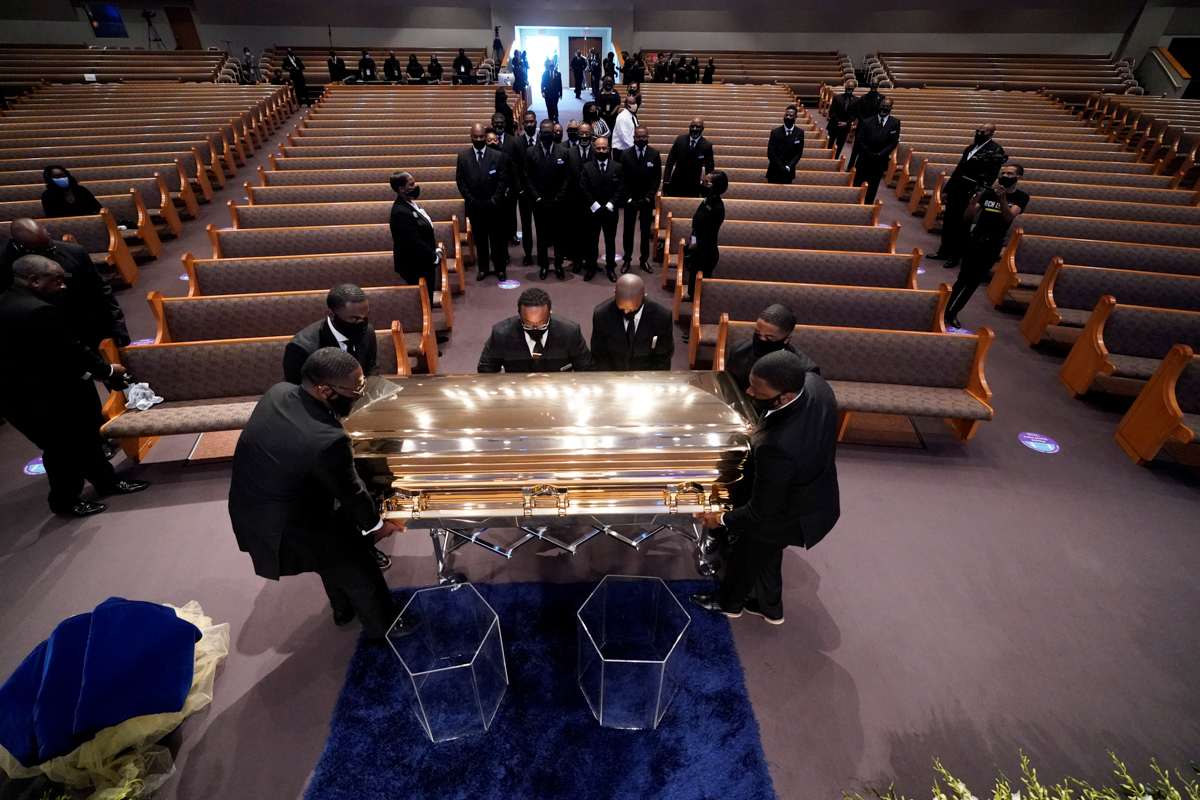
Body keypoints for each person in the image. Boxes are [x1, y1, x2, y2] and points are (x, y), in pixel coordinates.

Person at [229, 348, 404, 639]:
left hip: (254, 505)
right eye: (357, 389)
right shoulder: (328, 440)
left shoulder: (279, 392)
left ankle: (342, 609)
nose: (361, 394)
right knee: (359, 568)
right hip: (289, 522)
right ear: (325, 391)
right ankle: (385, 630)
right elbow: (351, 493)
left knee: (329, 559)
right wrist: (377, 525)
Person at [690, 350, 840, 624]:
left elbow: (761, 512)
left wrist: (720, 519)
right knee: (766, 551)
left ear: (785, 397)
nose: (749, 392)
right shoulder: (816, 385)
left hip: (788, 511)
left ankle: (728, 603)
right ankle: (770, 607)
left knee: (747, 553)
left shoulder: (777, 445)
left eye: (757, 390)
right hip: (816, 494)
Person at [0, 255, 147, 517]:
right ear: (34, 280)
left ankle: (106, 482)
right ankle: (65, 501)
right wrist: (109, 371)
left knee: (88, 436)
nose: (63, 286)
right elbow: (72, 352)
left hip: (55, 388)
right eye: (56, 281)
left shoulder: (8, 299)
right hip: (39, 397)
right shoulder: (37, 310)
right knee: (62, 450)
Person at [0, 218, 128, 348]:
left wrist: (118, 328)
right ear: (18, 245)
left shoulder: (74, 252)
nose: (45, 253)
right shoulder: (3, 264)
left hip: (84, 326)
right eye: (38, 251)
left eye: (48, 247)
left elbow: (101, 290)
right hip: (38, 338)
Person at [944, 164, 1028, 329]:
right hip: (975, 240)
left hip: (993, 244)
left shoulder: (1021, 197)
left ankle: (954, 312)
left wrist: (1003, 199)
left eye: (1010, 173)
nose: (1005, 175)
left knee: (973, 283)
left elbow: (1008, 217)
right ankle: (945, 309)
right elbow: (968, 216)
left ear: (1018, 177)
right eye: (1003, 172)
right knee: (962, 279)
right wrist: (976, 198)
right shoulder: (988, 193)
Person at [931, 124, 1007, 269]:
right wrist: (947, 189)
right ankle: (943, 251)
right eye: (977, 131)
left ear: (991, 134)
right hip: (957, 189)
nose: (978, 133)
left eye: (982, 132)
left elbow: (991, 175)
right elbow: (959, 169)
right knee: (949, 222)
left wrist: (977, 194)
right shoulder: (970, 148)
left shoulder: (995, 150)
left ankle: (955, 256)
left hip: (971, 192)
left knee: (962, 226)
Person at [478, 287, 592, 373]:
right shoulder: (501, 334)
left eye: (541, 323)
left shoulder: (570, 332)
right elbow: (486, 368)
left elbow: (585, 368)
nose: (535, 328)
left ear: (550, 314)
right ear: (520, 316)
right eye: (528, 323)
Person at [282, 283, 378, 385]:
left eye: (365, 316)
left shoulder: (368, 333)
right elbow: (299, 393)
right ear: (332, 315)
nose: (362, 323)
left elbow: (372, 373)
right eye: (354, 318)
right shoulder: (301, 349)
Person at [456, 123, 510, 281]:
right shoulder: (463, 156)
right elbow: (460, 181)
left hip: (494, 206)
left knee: (497, 240)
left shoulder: (497, 156)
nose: (479, 139)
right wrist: (472, 199)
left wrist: (494, 199)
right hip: (475, 206)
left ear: (485, 137)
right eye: (476, 137)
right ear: (471, 137)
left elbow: (503, 180)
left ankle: (500, 268)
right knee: (480, 240)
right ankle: (483, 268)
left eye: (481, 137)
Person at [723, 304, 818, 393]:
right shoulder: (738, 350)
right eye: (757, 333)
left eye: (769, 338)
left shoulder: (805, 370)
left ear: (786, 339)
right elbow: (726, 386)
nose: (761, 340)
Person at [590, 274, 673, 371]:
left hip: (646, 376)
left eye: (632, 309)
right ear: (615, 293)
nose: (626, 312)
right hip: (613, 375)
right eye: (621, 308)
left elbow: (663, 357)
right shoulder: (602, 314)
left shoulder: (661, 316)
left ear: (644, 297)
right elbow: (599, 354)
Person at [524, 120, 570, 280]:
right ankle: (543, 265)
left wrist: (559, 197)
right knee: (542, 236)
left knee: (559, 235)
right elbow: (527, 177)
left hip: (558, 201)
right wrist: (537, 197)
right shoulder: (530, 152)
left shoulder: (563, 152)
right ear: (540, 133)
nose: (547, 135)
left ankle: (558, 265)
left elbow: (567, 177)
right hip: (539, 202)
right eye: (544, 132)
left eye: (549, 132)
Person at [388, 172, 443, 301]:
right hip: (415, 265)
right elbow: (413, 242)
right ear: (401, 189)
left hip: (423, 262)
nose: (415, 186)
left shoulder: (409, 204)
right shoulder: (400, 212)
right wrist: (434, 256)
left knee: (427, 296)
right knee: (424, 300)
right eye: (411, 184)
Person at [580, 136, 626, 282]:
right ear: (594, 149)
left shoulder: (617, 167)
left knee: (610, 241)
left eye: (604, 148)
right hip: (592, 211)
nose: (601, 150)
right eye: (598, 148)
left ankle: (611, 268)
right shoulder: (587, 167)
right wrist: (595, 205)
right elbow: (584, 187)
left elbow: (620, 188)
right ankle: (591, 267)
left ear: (609, 149)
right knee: (591, 241)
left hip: (610, 211)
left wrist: (610, 204)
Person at [618, 125, 661, 274]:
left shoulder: (654, 154)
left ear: (647, 137)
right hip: (630, 199)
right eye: (638, 136)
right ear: (634, 137)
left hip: (646, 201)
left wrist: (649, 197)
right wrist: (628, 197)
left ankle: (644, 260)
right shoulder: (625, 155)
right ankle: (627, 260)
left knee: (644, 232)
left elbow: (656, 179)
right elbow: (621, 179)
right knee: (628, 232)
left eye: (643, 137)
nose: (640, 139)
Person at [684, 170, 727, 299]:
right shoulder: (707, 200)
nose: (703, 184)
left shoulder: (718, 208)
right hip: (697, 250)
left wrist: (693, 246)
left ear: (716, 186)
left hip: (705, 254)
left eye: (706, 183)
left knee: (699, 293)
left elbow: (710, 235)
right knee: (692, 290)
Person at [851, 96, 899, 203]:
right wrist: (870, 153)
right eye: (883, 106)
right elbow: (860, 140)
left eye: (887, 107)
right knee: (858, 183)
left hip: (880, 161)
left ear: (891, 108)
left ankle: (868, 206)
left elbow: (894, 142)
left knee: (873, 186)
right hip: (864, 159)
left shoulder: (895, 123)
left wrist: (881, 153)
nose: (884, 108)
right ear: (879, 106)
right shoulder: (867, 121)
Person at [491, 110, 524, 249]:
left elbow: (515, 165)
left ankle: (512, 234)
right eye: (496, 123)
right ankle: (501, 235)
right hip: (494, 185)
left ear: (505, 124)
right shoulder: (489, 140)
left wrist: (512, 184)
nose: (499, 125)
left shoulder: (513, 141)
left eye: (501, 123)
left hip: (510, 185)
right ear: (492, 124)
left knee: (511, 211)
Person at [565, 122, 595, 273]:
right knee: (575, 233)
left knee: (591, 234)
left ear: (591, 134)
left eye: (587, 133)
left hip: (592, 201)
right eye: (581, 133)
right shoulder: (569, 152)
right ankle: (577, 261)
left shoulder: (598, 151)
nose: (584, 136)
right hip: (575, 201)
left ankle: (591, 262)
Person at [663, 117, 715, 198]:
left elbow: (710, 168)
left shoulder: (707, 146)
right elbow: (670, 161)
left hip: (693, 185)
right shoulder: (680, 140)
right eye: (692, 126)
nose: (694, 129)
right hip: (676, 182)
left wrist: (709, 186)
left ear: (702, 129)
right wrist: (666, 181)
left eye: (698, 127)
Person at [846, 80, 881, 173]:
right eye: (872, 84)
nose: (874, 86)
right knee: (856, 148)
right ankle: (850, 166)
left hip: (874, 127)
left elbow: (879, 113)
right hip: (862, 125)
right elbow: (859, 112)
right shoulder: (863, 98)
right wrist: (865, 122)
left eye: (875, 84)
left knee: (868, 148)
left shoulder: (881, 98)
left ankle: (861, 168)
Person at [766, 105, 805, 185]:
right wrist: (780, 167)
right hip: (774, 170)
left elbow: (798, 154)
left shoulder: (799, 133)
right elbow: (771, 153)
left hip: (789, 171)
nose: (787, 117)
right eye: (786, 115)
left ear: (795, 117)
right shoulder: (775, 132)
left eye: (790, 115)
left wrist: (788, 166)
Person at [826, 80, 858, 160]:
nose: (849, 88)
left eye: (851, 86)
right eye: (848, 86)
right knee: (830, 144)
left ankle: (835, 160)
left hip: (845, 127)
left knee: (840, 145)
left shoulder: (856, 100)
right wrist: (838, 121)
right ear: (845, 86)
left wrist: (846, 123)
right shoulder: (837, 97)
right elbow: (832, 112)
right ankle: (827, 159)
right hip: (834, 125)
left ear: (854, 88)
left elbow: (854, 114)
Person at [541, 59, 563, 124]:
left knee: (555, 105)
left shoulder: (558, 74)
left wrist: (561, 93)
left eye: (552, 65)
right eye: (550, 65)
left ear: (554, 65)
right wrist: (542, 91)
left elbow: (560, 84)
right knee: (549, 106)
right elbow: (542, 83)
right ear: (548, 66)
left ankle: (556, 118)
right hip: (547, 93)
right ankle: (550, 118)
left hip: (555, 93)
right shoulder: (545, 74)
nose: (551, 66)